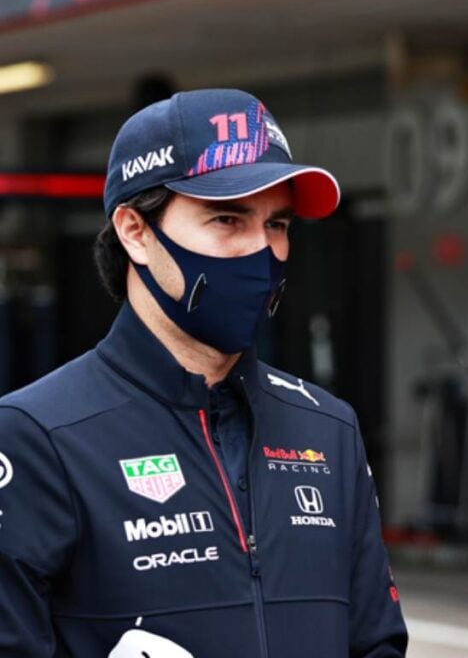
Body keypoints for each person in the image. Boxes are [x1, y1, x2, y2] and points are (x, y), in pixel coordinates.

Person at [0, 89, 408, 657]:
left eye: (278, 224)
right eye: (227, 218)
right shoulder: (36, 436)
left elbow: (376, 644)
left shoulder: (328, 428)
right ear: (135, 231)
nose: (262, 251)